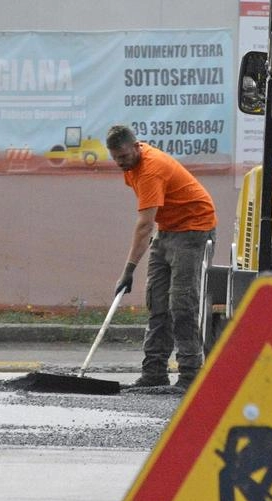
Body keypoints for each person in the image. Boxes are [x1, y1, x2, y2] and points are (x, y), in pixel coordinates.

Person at [106, 124, 217, 389]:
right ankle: (154, 373)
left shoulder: (150, 169)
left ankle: (191, 375)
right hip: (168, 230)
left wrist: (128, 270)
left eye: (123, 156)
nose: (120, 163)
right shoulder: (132, 166)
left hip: (193, 229)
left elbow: (145, 226)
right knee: (157, 301)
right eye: (115, 158)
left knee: (182, 304)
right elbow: (153, 223)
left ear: (136, 146)